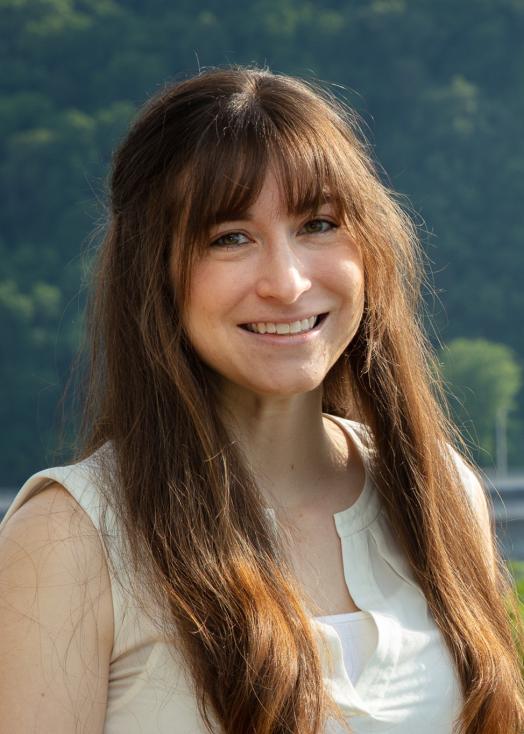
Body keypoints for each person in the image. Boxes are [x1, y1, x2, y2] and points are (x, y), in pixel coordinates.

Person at [0, 67, 522, 734]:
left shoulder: (439, 492)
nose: (287, 281)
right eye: (231, 238)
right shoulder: (71, 539)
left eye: (319, 224)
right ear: (154, 273)